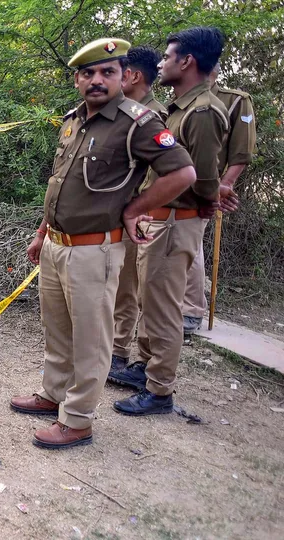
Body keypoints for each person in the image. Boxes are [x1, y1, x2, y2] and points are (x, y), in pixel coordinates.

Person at [10, 38, 196, 449]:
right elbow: (59, 183)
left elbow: (182, 174)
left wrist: (135, 209)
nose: (97, 80)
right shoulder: (74, 120)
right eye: (88, 73)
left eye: (107, 72)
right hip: (58, 246)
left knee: (92, 337)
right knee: (56, 329)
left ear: (123, 76)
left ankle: (77, 420)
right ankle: (52, 394)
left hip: (96, 250)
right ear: (78, 79)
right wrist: (43, 233)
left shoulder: (138, 122)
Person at [109, 27, 229, 415]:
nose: (161, 63)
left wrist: (209, 200)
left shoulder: (203, 112)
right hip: (160, 219)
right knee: (150, 298)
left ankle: (160, 390)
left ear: (187, 61)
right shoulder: (180, 108)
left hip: (177, 220)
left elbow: (205, 173)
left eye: (168, 56)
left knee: (163, 308)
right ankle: (145, 368)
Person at [181, 62, 256, 336]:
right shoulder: (181, 99)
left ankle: (191, 311)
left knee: (192, 245)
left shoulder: (235, 101)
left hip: (206, 185)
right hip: (176, 184)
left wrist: (223, 186)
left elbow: (242, 152)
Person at [110, 45, 169, 373]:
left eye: (116, 71)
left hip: (138, 215)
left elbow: (164, 172)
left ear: (131, 75)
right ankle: (116, 348)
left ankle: (121, 353)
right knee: (120, 285)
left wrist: (139, 208)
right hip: (119, 212)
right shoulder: (122, 109)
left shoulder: (152, 115)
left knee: (132, 287)